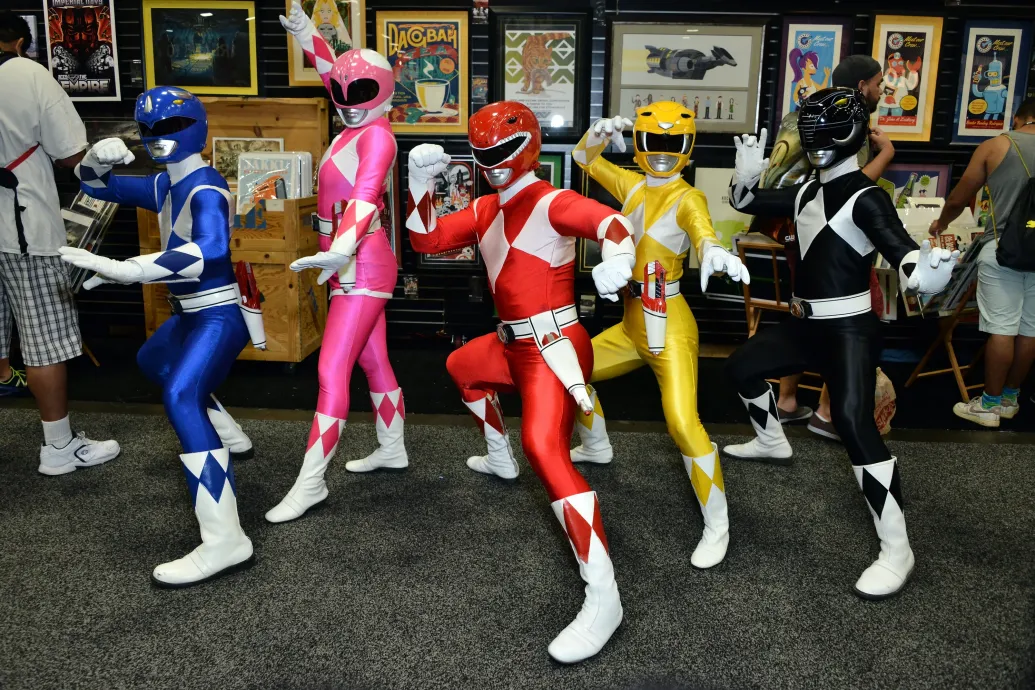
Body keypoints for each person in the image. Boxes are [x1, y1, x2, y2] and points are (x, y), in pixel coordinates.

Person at [406, 101, 637, 663]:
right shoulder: (486, 207)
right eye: (482, 154)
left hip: (553, 345)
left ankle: (605, 596)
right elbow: (426, 241)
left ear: (528, 146)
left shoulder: (552, 200)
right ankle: (498, 456)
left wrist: (619, 257)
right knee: (462, 367)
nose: (493, 164)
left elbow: (611, 223)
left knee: (545, 448)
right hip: (511, 342)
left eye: (503, 151)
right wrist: (418, 184)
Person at [724, 89, 957, 599]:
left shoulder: (867, 197)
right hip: (804, 324)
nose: (816, 141)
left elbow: (901, 250)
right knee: (741, 366)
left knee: (854, 424)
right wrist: (745, 176)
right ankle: (771, 439)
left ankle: (897, 549)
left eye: (823, 130)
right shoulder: (807, 190)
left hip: (850, 329)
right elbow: (746, 203)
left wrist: (925, 274)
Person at [61, 87, 261, 587]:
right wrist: (94, 158)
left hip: (217, 314)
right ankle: (226, 432)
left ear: (194, 128)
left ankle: (226, 540)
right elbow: (95, 187)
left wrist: (129, 269)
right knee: (154, 361)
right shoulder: (165, 185)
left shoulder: (206, 187)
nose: (157, 138)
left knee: (180, 396)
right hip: (188, 314)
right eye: (148, 130)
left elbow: (210, 251)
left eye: (168, 127)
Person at [569, 104, 750, 569]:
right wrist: (596, 134)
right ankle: (596, 445)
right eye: (654, 142)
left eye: (673, 144)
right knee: (572, 369)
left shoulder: (688, 197)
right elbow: (584, 158)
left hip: (669, 324)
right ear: (639, 145)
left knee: (683, 424)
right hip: (631, 320)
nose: (663, 153)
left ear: (688, 148)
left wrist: (712, 250)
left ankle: (718, 525)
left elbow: (701, 229)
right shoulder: (632, 186)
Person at [265, 4, 407, 525]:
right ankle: (393, 447)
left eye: (360, 92)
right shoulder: (355, 120)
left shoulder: (377, 136)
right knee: (373, 360)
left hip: (361, 264)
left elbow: (367, 197)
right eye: (340, 94)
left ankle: (311, 482)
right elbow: (334, 70)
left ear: (383, 93)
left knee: (331, 371)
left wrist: (342, 248)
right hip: (345, 261)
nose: (346, 101)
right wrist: (305, 30)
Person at [0, 12, 120, 473]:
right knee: (44, 341)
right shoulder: (28, 74)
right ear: (21, 42)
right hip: (23, 228)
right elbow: (72, 153)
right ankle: (58, 448)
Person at [776, 54, 897, 440]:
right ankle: (828, 412)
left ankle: (787, 400)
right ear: (861, 87)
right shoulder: (846, 120)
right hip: (836, 235)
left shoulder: (808, 112)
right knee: (850, 309)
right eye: (878, 83)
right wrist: (887, 155)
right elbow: (847, 189)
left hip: (799, 230)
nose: (883, 90)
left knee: (805, 308)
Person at [930, 97, 1035, 427]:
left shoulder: (996, 146)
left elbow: (960, 198)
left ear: (1018, 118)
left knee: (1002, 328)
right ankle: (1010, 400)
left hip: (1003, 250)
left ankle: (988, 406)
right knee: (1030, 329)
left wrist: (941, 224)